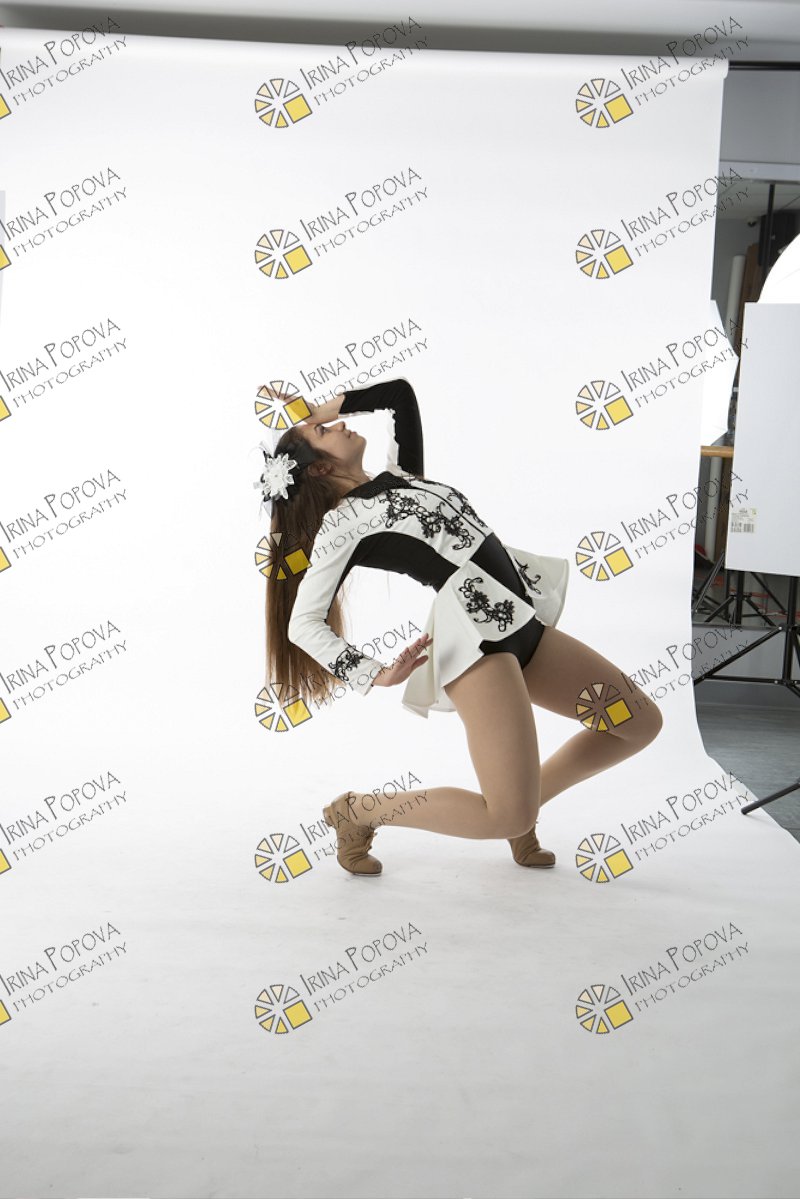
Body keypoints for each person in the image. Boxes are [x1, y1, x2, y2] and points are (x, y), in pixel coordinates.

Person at [257, 377, 663, 876]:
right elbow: (302, 622)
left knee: (637, 723)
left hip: (518, 618)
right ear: (320, 468)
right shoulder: (342, 526)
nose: (336, 424)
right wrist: (374, 673)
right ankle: (358, 812)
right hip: (476, 643)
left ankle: (523, 806)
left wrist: (315, 408)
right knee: (506, 813)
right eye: (323, 431)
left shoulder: (401, 475)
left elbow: (400, 395)